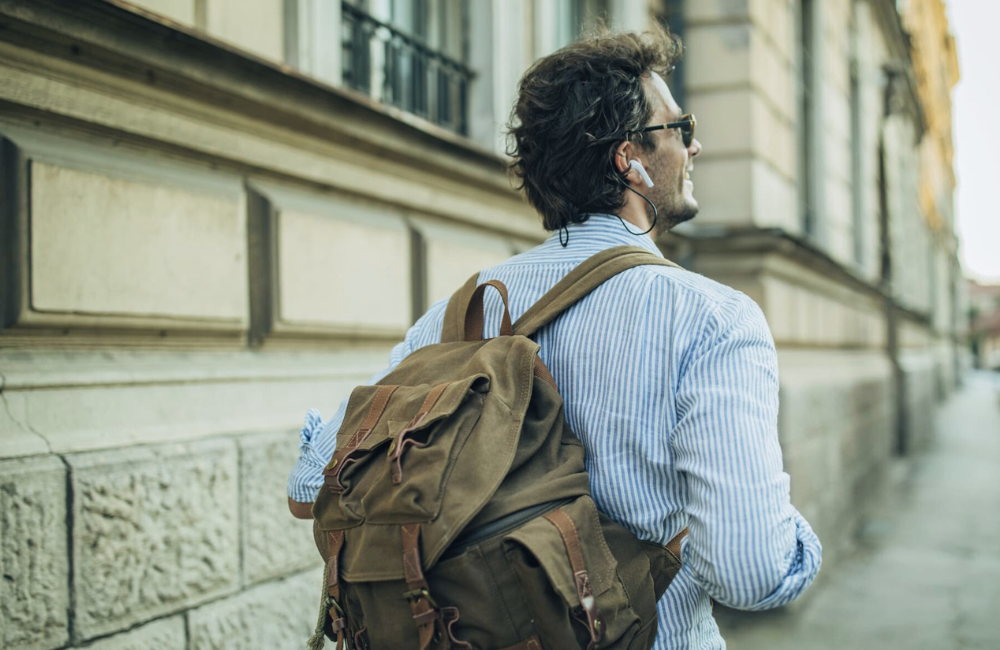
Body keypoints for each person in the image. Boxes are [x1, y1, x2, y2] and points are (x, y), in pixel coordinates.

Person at [288, 26, 821, 649]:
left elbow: (310, 483)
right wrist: (801, 546)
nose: (694, 145)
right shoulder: (712, 320)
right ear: (630, 158)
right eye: (680, 127)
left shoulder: (459, 316)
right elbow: (748, 570)